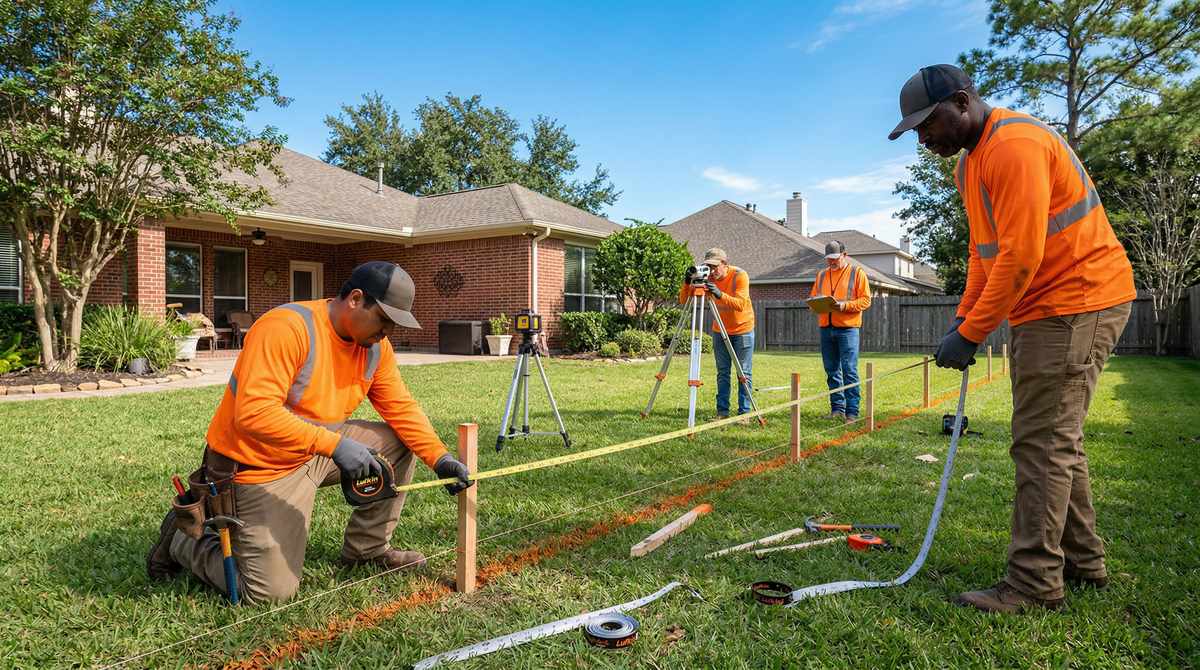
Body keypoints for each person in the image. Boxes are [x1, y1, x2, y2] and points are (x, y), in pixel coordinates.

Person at [889, 64, 1135, 613]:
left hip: (1077, 299)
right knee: (1055, 438)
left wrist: (974, 333)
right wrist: (963, 319)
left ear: (962, 102)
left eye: (927, 124)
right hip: (1046, 305)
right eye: (915, 130)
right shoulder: (970, 165)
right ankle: (1083, 561)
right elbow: (985, 254)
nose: (923, 139)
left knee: (1041, 442)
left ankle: (1033, 583)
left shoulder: (1015, 146)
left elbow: (1021, 255)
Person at [146, 261, 473, 604]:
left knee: (399, 443)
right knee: (268, 593)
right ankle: (184, 539)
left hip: (317, 449)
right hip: (259, 466)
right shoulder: (286, 328)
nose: (387, 331)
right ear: (355, 299)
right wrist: (335, 446)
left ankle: (367, 550)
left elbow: (401, 407)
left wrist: (440, 458)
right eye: (384, 319)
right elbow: (254, 414)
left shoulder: (375, 347)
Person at [680, 248, 755, 420]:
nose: (712, 271)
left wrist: (720, 294)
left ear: (725, 264)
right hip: (720, 330)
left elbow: (741, 305)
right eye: (709, 267)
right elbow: (684, 300)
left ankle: (744, 414)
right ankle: (722, 412)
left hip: (742, 329)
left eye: (715, 267)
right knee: (723, 372)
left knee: (744, 372)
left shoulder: (739, 275)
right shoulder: (707, 278)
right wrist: (687, 283)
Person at [810, 240, 872, 423]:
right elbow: (813, 297)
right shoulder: (821, 275)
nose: (831, 262)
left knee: (849, 370)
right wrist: (814, 304)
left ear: (845, 255)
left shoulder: (857, 273)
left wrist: (844, 306)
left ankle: (852, 412)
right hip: (826, 328)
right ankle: (837, 409)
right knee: (831, 370)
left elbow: (865, 301)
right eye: (828, 258)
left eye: (835, 258)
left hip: (848, 329)